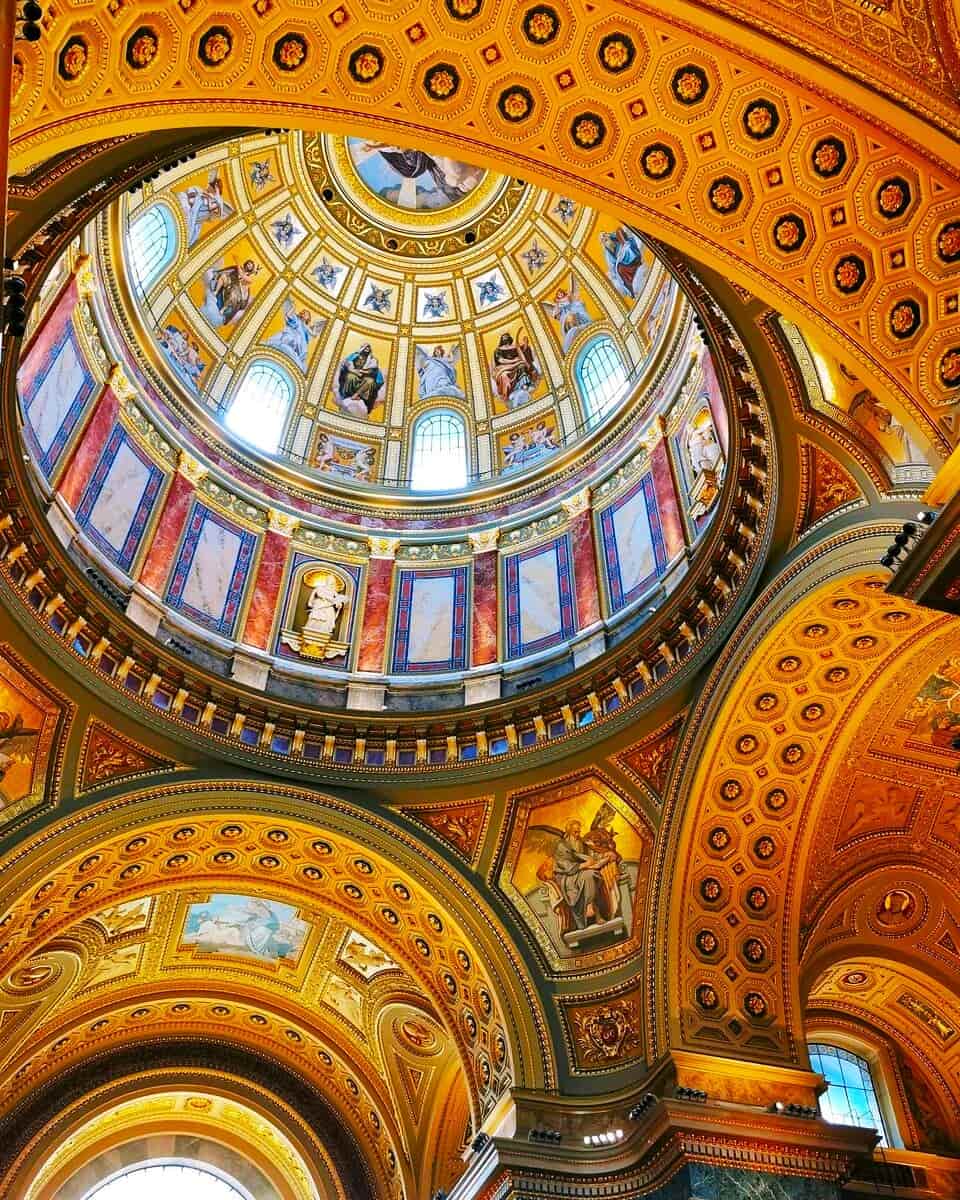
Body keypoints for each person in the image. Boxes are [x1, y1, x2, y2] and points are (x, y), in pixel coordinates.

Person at [551, 819, 618, 931]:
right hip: (566, 875)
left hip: (582, 871)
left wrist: (605, 855)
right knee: (589, 876)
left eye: (579, 832)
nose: (578, 835)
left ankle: (591, 907)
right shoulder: (562, 846)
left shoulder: (581, 842)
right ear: (569, 832)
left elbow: (591, 855)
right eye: (575, 832)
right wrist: (585, 865)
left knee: (592, 874)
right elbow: (564, 865)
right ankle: (591, 909)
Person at [266, 298, 324, 370]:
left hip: (300, 341)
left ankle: (297, 353)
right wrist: (292, 307)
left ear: (308, 319)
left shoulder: (305, 326)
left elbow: (313, 334)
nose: (303, 313)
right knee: (289, 338)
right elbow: (288, 315)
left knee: (301, 348)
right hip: (291, 334)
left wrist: (316, 328)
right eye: (303, 312)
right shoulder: (296, 319)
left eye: (306, 314)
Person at [178, 170, 232, 246]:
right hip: (186, 210)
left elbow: (215, 212)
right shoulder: (198, 191)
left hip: (191, 220)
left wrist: (214, 198)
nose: (207, 187)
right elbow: (190, 198)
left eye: (210, 186)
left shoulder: (212, 201)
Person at [201, 259, 259, 327]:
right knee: (223, 276)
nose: (249, 266)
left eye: (250, 266)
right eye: (249, 264)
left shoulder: (249, 279)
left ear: (251, 269)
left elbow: (243, 276)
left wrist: (237, 263)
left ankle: (223, 309)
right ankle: (216, 291)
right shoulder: (239, 268)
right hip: (230, 284)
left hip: (238, 292)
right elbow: (230, 272)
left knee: (233, 295)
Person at [491, 329, 540, 409]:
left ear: (510, 338)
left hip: (517, 364)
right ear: (501, 340)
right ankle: (508, 393)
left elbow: (523, 352)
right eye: (504, 337)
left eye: (507, 337)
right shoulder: (498, 350)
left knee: (522, 365)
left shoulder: (514, 347)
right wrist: (513, 361)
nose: (505, 338)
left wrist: (526, 343)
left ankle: (524, 385)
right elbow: (500, 360)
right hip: (504, 367)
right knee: (504, 375)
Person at [542, 276, 592, 353]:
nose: (560, 294)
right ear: (557, 296)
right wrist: (557, 305)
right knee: (569, 318)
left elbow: (571, 300)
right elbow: (555, 314)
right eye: (558, 294)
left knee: (572, 316)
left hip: (574, 310)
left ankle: (578, 326)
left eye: (561, 293)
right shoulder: (557, 304)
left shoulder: (568, 297)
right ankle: (573, 329)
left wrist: (569, 297)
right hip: (565, 316)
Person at [334, 344, 385, 418]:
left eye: (368, 348)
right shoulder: (355, 356)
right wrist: (354, 371)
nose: (367, 349)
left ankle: (357, 395)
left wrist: (362, 372)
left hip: (365, 376)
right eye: (365, 348)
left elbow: (373, 371)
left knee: (370, 381)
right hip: (353, 373)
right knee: (350, 377)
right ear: (362, 349)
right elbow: (347, 364)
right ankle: (349, 395)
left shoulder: (372, 359)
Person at [600, 226, 647, 299]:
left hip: (630, 253)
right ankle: (631, 288)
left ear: (608, 235)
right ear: (603, 244)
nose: (605, 240)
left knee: (626, 253)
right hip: (624, 265)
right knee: (620, 269)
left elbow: (624, 236)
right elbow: (613, 268)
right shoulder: (608, 254)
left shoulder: (617, 236)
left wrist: (625, 245)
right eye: (603, 240)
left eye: (605, 237)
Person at [303, 573, 346, 639]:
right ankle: (311, 631)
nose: (331, 582)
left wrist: (338, 604)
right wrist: (331, 600)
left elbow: (338, 601)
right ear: (327, 581)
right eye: (330, 580)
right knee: (316, 618)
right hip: (319, 606)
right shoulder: (319, 588)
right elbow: (316, 596)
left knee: (327, 621)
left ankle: (323, 632)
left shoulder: (334, 592)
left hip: (328, 608)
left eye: (332, 581)